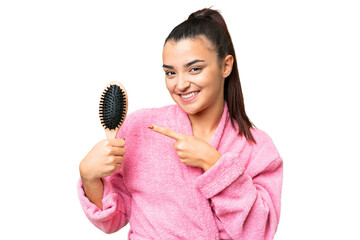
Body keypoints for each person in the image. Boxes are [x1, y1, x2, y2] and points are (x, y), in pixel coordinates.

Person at [78, 8, 283, 240]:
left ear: (225, 66)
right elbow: (114, 217)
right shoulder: (140, 129)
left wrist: (213, 163)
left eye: (194, 69)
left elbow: (260, 231)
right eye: (170, 73)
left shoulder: (257, 148)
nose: (181, 84)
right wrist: (90, 177)